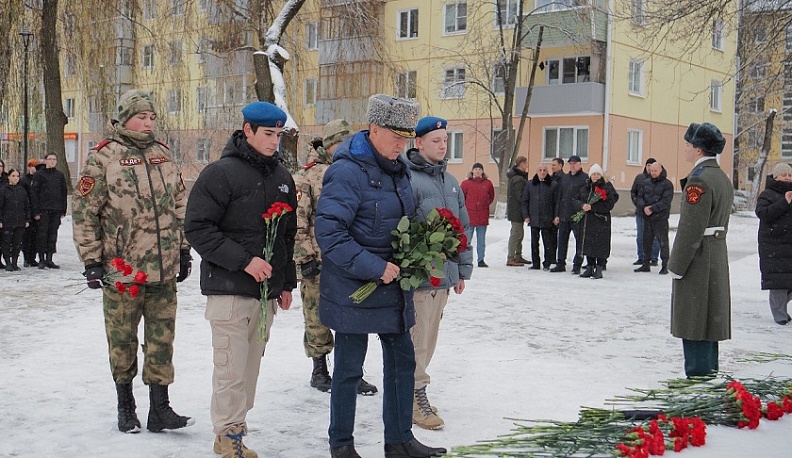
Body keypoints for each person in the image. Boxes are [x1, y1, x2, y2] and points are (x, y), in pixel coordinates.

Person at [315, 94, 446, 458]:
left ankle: (400, 441)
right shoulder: (346, 170)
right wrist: (375, 267)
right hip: (353, 288)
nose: (401, 146)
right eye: (395, 137)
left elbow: (404, 220)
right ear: (374, 129)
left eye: (406, 139)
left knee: (403, 362)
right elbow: (329, 233)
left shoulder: (399, 169)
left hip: (394, 287)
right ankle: (342, 445)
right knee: (348, 370)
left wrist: (425, 242)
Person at [72, 89, 194, 434]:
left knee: (161, 338)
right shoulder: (103, 158)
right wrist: (92, 261)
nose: (148, 123)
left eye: (152, 117)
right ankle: (126, 407)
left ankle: (161, 409)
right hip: (122, 269)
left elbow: (180, 204)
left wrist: (183, 249)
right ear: (125, 118)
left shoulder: (162, 154)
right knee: (122, 339)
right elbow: (84, 212)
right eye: (141, 117)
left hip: (163, 266)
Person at [184, 100, 298, 458]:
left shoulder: (282, 177)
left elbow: (287, 236)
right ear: (247, 131)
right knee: (231, 367)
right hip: (229, 289)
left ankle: (235, 425)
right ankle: (228, 434)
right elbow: (198, 228)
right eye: (267, 134)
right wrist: (245, 261)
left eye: (279, 135)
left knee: (250, 367)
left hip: (265, 293)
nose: (274, 142)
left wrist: (285, 283)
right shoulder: (220, 173)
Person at [293, 119, 378, 395]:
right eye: (341, 143)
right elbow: (297, 220)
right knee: (316, 316)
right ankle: (320, 371)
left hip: (349, 262)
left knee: (352, 318)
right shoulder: (306, 176)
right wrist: (305, 257)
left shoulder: (357, 172)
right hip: (318, 262)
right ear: (328, 145)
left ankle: (352, 372)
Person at [403, 116, 473, 431]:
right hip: (420, 278)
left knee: (428, 341)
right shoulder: (407, 178)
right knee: (417, 342)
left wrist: (462, 270)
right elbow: (401, 229)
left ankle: (414, 392)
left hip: (443, 278)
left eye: (445, 140)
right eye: (436, 140)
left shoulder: (450, 181)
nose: (442, 145)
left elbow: (463, 226)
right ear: (418, 143)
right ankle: (414, 399)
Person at [668, 122, 732, 379]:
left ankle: (698, 379)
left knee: (694, 320)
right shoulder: (720, 177)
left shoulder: (699, 180)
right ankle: (708, 375)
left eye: (688, 145)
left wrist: (676, 264)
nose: (685, 150)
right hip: (714, 253)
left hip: (699, 256)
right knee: (709, 321)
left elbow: (690, 229)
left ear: (697, 149)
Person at [755, 162, 792, 325]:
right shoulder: (767, 194)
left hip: (789, 243)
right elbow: (763, 213)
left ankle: (782, 309)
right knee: (778, 282)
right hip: (774, 245)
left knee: (787, 281)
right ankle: (780, 314)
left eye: (790, 175)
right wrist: (784, 202)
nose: (787, 178)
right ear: (776, 177)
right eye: (784, 175)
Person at [572, 164, 618, 279]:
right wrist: (582, 205)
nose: (596, 176)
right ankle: (589, 266)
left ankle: (599, 267)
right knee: (588, 244)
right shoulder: (585, 187)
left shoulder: (606, 187)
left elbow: (609, 204)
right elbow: (575, 199)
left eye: (598, 174)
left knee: (600, 245)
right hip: (587, 222)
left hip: (601, 221)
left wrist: (593, 208)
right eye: (594, 174)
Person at [633, 162, 674, 275]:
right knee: (646, 241)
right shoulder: (646, 183)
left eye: (655, 171)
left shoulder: (667, 184)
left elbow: (666, 201)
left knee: (662, 242)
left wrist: (652, 208)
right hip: (647, 218)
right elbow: (639, 197)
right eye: (651, 171)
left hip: (660, 218)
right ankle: (646, 264)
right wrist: (643, 207)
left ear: (661, 170)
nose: (653, 173)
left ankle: (665, 265)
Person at [552, 155, 588, 274]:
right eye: (570, 163)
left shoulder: (584, 178)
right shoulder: (565, 178)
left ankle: (577, 264)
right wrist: (557, 214)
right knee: (561, 241)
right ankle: (560, 263)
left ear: (579, 164)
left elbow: (585, 197)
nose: (572, 165)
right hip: (564, 215)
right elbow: (560, 197)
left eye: (574, 163)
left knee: (579, 242)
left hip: (577, 216)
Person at [520, 163, 559, 270]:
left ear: (547, 172)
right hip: (534, 218)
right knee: (534, 242)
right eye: (540, 170)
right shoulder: (530, 184)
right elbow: (524, 201)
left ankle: (547, 263)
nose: (542, 172)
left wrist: (556, 216)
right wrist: (526, 216)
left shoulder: (553, 185)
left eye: (544, 170)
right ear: (537, 172)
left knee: (548, 242)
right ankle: (535, 263)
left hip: (547, 218)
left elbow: (557, 202)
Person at [32, 152, 67, 269]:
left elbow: (63, 192)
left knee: (53, 235)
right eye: (50, 159)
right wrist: (36, 211)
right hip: (43, 209)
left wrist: (63, 209)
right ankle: (41, 259)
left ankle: (49, 258)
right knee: (42, 234)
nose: (52, 161)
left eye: (54, 159)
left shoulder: (60, 175)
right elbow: (34, 194)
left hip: (56, 209)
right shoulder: (39, 175)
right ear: (45, 161)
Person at [460, 162, 494, 268]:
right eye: (476, 169)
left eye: (480, 169)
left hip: (482, 216)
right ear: (472, 171)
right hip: (469, 216)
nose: (478, 171)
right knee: (467, 240)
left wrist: (484, 204)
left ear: (483, 171)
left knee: (481, 240)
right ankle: (465, 260)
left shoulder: (487, 183)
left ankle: (481, 259)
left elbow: (491, 196)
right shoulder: (466, 183)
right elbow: (461, 197)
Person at [630, 157, 660, 266]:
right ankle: (641, 257)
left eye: (652, 166)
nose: (650, 168)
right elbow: (634, 192)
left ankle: (654, 258)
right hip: (640, 212)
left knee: (655, 236)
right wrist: (639, 204)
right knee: (640, 235)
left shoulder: (659, 180)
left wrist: (654, 208)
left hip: (655, 213)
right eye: (648, 166)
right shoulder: (640, 178)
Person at [0, 169, 30, 271]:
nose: (15, 178)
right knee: (6, 243)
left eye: (17, 176)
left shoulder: (22, 190)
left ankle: (14, 262)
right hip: (7, 221)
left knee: (17, 243)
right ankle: (7, 262)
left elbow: (26, 206)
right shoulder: (3, 190)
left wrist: (27, 219)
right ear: (8, 177)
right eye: (13, 176)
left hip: (20, 221)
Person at [506, 156, 530, 266]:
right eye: (525, 163)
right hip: (517, 211)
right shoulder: (518, 179)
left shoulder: (516, 177)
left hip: (515, 210)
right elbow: (521, 196)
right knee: (516, 234)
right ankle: (511, 257)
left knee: (519, 233)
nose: (527, 165)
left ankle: (518, 255)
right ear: (521, 164)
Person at [20, 159, 40, 267]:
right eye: (33, 166)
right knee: (27, 237)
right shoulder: (24, 180)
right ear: (29, 167)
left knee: (36, 237)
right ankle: (27, 258)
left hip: (38, 211)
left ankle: (33, 258)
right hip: (28, 212)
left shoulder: (39, 178)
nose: (34, 168)